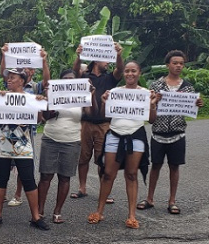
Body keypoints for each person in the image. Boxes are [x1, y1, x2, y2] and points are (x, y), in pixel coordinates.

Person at [87, 61, 157, 229]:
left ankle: (132, 216)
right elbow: (105, 116)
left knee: (132, 174)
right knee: (108, 174)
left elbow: (152, 120)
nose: (130, 74)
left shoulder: (146, 94)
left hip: (136, 135)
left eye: (133, 71)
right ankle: (99, 211)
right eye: (127, 71)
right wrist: (104, 102)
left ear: (139, 73)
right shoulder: (115, 92)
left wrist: (153, 104)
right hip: (115, 135)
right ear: (123, 73)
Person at [138, 50, 203, 214]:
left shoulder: (187, 87)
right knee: (156, 166)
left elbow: (190, 108)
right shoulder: (156, 86)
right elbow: (149, 110)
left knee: (175, 167)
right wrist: (155, 102)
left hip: (178, 134)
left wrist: (197, 104)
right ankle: (150, 198)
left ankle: (172, 201)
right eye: (175, 63)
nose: (178, 66)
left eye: (181, 63)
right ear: (168, 65)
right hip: (158, 133)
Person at [0, 68, 50, 230]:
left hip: (23, 144)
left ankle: (36, 217)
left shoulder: (31, 99)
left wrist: (38, 106)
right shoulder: (3, 97)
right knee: (1, 179)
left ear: (22, 81)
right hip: (4, 143)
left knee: (28, 179)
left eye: (12, 78)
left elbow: (37, 121)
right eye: (8, 78)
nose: (8, 80)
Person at [37, 69, 96, 224]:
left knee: (64, 177)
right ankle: (40, 210)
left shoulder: (81, 97)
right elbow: (45, 117)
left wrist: (91, 95)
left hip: (72, 140)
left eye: (72, 79)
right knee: (45, 176)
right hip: (50, 138)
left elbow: (91, 114)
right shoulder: (54, 94)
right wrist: (49, 99)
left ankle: (57, 211)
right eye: (66, 79)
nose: (69, 81)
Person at [71, 43, 124, 201]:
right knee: (83, 157)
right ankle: (82, 187)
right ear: (95, 60)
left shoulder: (109, 78)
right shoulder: (84, 76)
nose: (108, 62)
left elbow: (120, 70)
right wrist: (79, 55)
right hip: (85, 122)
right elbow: (74, 72)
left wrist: (119, 55)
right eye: (105, 59)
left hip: (104, 124)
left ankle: (104, 190)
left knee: (103, 159)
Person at [0, 44, 50, 206]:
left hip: (27, 132)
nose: (27, 69)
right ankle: (3, 194)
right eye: (25, 67)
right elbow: (3, 74)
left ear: (33, 71)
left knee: (24, 167)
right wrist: (4, 55)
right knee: (4, 166)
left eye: (30, 67)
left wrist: (44, 61)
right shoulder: (9, 86)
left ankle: (18, 194)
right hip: (7, 131)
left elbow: (47, 82)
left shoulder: (35, 87)